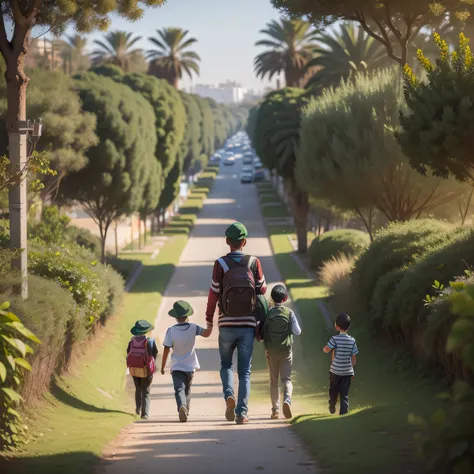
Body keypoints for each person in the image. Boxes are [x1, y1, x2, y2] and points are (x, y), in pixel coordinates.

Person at [206, 221, 267, 424]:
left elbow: (214, 294)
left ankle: (229, 395)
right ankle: (242, 413)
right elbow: (263, 290)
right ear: (244, 241)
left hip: (226, 324)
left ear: (227, 241)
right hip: (248, 324)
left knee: (225, 364)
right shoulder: (254, 262)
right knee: (245, 371)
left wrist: (209, 319)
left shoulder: (220, 264)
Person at [161, 300, 212, 422]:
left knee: (179, 389)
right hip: (190, 367)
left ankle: (182, 407)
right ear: (187, 315)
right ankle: (186, 410)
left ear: (175, 317)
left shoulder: (171, 330)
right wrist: (210, 324)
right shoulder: (193, 327)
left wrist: (162, 367)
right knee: (187, 390)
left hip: (177, 366)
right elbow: (206, 334)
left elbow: (166, 349)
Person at [261, 284, 301, 420]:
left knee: (273, 381)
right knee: (287, 379)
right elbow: (298, 331)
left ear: (272, 298)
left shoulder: (269, 313)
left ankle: (275, 410)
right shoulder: (289, 313)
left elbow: (262, 332)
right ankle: (287, 400)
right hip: (286, 351)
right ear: (285, 298)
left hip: (271, 351)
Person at [323, 313, 358, 415]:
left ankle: (332, 404)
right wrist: (352, 370)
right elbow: (354, 360)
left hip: (335, 371)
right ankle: (343, 413)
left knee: (333, 390)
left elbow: (326, 350)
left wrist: (325, 349)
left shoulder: (335, 339)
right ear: (349, 326)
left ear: (336, 326)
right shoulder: (352, 341)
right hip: (347, 372)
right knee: (344, 394)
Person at [126, 320, 159, 420]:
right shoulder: (150, 341)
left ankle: (138, 409)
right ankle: (144, 414)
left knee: (138, 388)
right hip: (146, 369)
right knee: (146, 391)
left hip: (134, 368)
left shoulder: (131, 341)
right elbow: (155, 353)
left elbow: (128, 353)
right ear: (147, 330)